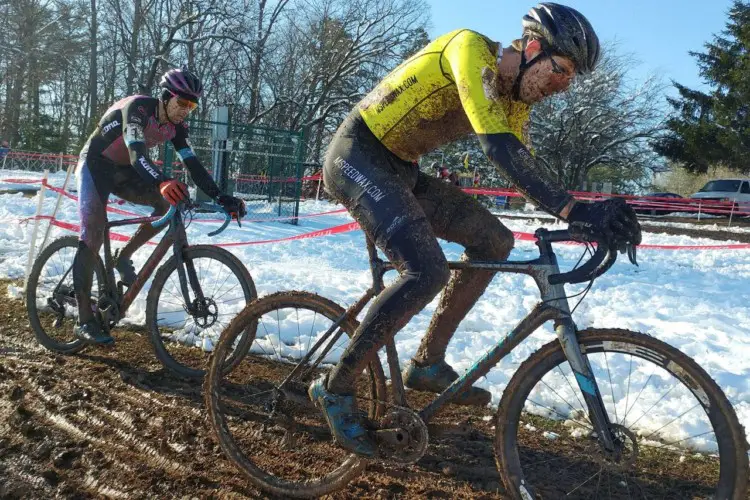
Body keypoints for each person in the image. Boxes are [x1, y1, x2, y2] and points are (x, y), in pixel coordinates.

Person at [311, 3, 641, 456]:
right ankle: (336, 385)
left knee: (495, 241)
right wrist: (574, 210)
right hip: (356, 157)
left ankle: (427, 362)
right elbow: (498, 148)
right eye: (561, 70)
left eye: (569, 79)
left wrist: (585, 213)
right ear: (531, 47)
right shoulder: (469, 50)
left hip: (401, 171)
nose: (562, 87)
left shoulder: (514, 101)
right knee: (425, 271)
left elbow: (524, 165)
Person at [72, 67, 246, 345]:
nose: (186, 110)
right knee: (92, 232)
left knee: (167, 203)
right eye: (182, 103)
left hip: (125, 170)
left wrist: (220, 196)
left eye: (192, 105)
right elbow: (136, 153)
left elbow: (193, 165)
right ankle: (84, 319)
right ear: (166, 97)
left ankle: (122, 256)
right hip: (95, 165)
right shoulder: (138, 109)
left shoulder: (175, 128)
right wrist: (163, 180)